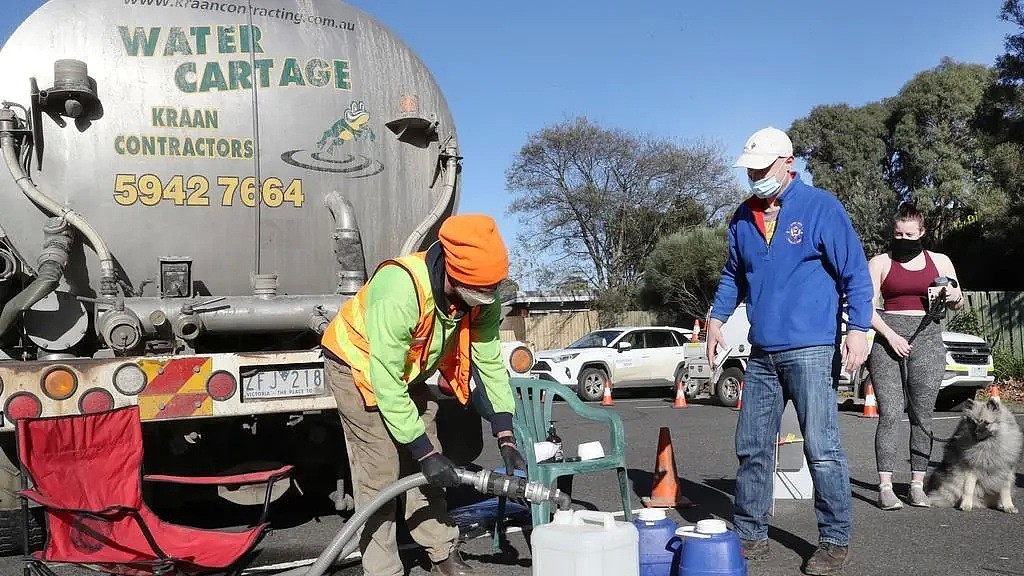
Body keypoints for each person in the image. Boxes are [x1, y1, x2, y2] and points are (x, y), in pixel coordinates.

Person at [706, 127, 873, 576]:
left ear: (788, 162)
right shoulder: (743, 216)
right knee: (752, 445)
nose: (754, 177)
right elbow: (732, 275)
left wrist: (858, 329)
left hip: (813, 349)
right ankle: (750, 533)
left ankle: (835, 540)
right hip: (761, 352)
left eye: (761, 169)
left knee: (821, 447)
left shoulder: (821, 207)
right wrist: (716, 319)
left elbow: (855, 272)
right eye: (750, 170)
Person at [320, 213, 527, 576]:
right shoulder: (400, 289)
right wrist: (423, 452)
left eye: (490, 291)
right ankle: (383, 569)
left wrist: (506, 435)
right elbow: (384, 380)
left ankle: (442, 552)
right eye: (479, 292)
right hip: (359, 365)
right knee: (381, 470)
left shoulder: (483, 297)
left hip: (409, 369)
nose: (485, 300)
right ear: (452, 272)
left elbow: (490, 362)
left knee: (432, 466)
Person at [866, 203, 963, 510]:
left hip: (927, 339)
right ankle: (885, 486)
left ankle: (916, 484)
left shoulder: (941, 261)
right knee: (891, 413)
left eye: (910, 233)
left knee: (922, 416)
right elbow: (865, 307)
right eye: (898, 233)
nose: (904, 238)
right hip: (887, 340)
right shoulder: (880, 262)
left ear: (922, 232)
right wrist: (891, 336)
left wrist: (953, 295)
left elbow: (957, 302)